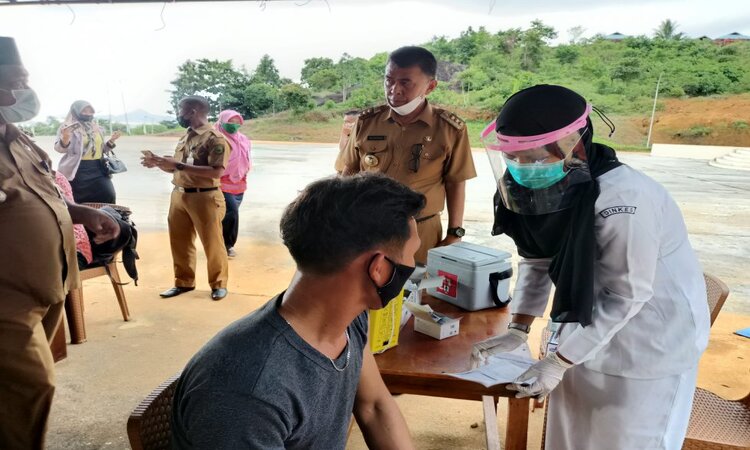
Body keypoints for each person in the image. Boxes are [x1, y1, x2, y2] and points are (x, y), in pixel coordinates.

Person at [473, 84, 710, 449]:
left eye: (532, 157)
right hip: (579, 338)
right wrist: (519, 328)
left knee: (626, 442)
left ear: (572, 144)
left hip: (647, 345)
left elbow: (628, 295)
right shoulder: (541, 186)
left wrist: (559, 362)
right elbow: (537, 259)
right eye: (513, 157)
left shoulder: (625, 199)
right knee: (569, 440)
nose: (522, 168)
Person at [171, 173, 421, 449]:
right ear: (379, 269)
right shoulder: (250, 391)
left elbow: (374, 406)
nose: (413, 264)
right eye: (412, 254)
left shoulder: (348, 319)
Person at [0, 36, 120, 449]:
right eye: (15, 81)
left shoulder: (17, 137)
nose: (25, 89)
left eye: (25, 79)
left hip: (49, 286)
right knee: (31, 389)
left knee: (14, 395)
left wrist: (82, 213)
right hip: (7, 302)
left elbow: (44, 194)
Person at [340, 46, 476, 264]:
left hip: (421, 230)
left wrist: (454, 233)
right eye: (389, 80)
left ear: (430, 86)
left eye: (405, 82)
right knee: (364, 282)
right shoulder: (366, 122)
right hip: (366, 228)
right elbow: (349, 172)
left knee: (417, 282)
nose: (394, 90)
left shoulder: (449, 129)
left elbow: (456, 182)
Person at [141, 96, 230, 301]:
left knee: (212, 243)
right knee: (179, 242)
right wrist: (160, 163)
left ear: (193, 111)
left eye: (180, 109)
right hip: (179, 195)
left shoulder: (215, 139)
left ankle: (219, 284)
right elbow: (179, 167)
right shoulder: (186, 137)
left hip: (205, 197)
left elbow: (216, 171)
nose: (178, 113)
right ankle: (183, 282)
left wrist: (178, 165)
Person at [54, 100, 122, 204]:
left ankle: (105, 215)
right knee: (75, 201)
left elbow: (102, 150)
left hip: (98, 168)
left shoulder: (98, 128)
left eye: (90, 111)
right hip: (76, 170)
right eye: (84, 111)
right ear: (76, 111)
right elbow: (59, 149)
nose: (88, 114)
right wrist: (65, 138)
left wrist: (112, 140)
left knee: (109, 195)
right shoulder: (67, 127)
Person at [214, 109, 251, 258]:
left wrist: (245, 171)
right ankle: (227, 245)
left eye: (237, 122)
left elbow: (246, 157)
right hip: (220, 182)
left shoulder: (243, 139)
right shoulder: (215, 138)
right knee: (232, 212)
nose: (234, 125)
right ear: (222, 121)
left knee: (226, 215)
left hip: (239, 182)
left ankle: (218, 242)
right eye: (230, 122)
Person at [333, 109, 359, 173]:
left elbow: (344, 150)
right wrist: (345, 134)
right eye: (345, 122)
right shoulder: (347, 132)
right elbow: (341, 149)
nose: (346, 124)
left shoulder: (361, 134)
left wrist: (345, 134)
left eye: (348, 122)